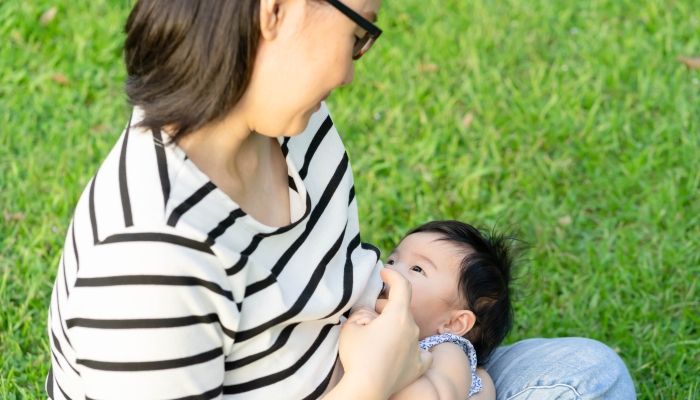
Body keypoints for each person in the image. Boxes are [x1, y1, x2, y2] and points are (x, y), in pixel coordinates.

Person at [45, 0, 636, 399]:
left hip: (399, 366)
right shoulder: (149, 254)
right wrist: (370, 382)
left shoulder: (294, 126)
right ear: (277, 10)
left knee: (586, 370)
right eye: (358, 34)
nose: (352, 72)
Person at [348, 220, 516, 400]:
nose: (387, 269)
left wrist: (383, 351)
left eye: (417, 269)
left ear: (453, 323)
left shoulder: (447, 351)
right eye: (392, 260)